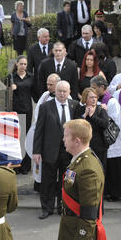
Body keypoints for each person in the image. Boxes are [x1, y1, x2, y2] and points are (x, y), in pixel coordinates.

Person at [56, 119, 107, 240]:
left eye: (66, 136)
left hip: (80, 239)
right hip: (71, 232)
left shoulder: (87, 169)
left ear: (76, 141)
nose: (63, 139)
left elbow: (89, 215)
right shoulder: (79, 161)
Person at [33, 81, 79, 219]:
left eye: (65, 91)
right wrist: (36, 151)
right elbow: (39, 130)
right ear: (55, 91)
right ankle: (47, 208)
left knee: (67, 180)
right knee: (48, 180)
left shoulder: (74, 106)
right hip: (49, 150)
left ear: (69, 92)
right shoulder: (45, 107)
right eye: (59, 91)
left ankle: (63, 207)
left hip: (68, 152)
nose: (62, 94)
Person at [90, 75, 121, 201]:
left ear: (102, 87)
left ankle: (116, 193)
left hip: (112, 141)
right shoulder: (97, 100)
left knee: (114, 168)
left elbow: (114, 121)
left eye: (94, 88)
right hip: (100, 140)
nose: (92, 90)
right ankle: (106, 191)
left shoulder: (112, 102)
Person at [8, 55, 34, 175]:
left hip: (27, 110)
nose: (23, 66)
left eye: (25, 64)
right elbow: (5, 92)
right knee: (16, 137)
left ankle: (25, 166)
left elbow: (34, 92)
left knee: (25, 137)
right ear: (16, 64)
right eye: (21, 64)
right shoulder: (11, 77)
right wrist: (11, 88)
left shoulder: (30, 77)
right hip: (15, 111)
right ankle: (15, 165)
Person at [74, 87, 109, 169]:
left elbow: (105, 124)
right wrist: (85, 115)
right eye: (91, 97)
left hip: (100, 147)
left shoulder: (100, 110)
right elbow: (76, 126)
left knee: (99, 170)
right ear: (85, 98)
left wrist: (92, 116)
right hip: (84, 147)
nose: (94, 99)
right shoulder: (80, 110)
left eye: (95, 97)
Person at [27, 28, 53, 102]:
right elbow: (29, 68)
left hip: (52, 82)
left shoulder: (53, 47)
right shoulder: (32, 50)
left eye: (48, 36)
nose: (47, 38)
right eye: (45, 37)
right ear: (39, 37)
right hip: (38, 83)